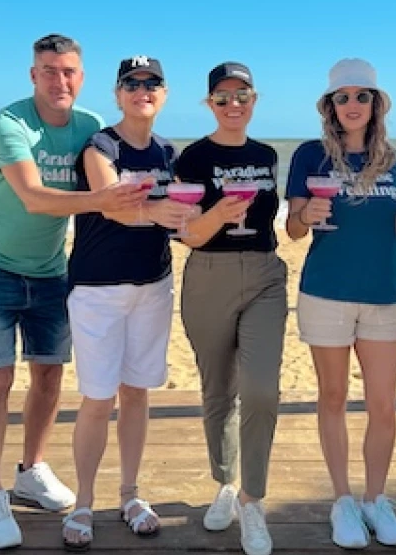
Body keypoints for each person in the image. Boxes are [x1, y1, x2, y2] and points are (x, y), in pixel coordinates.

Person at [0, 34, 148, 550]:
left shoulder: (88, 127)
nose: (58, 80)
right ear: (32, 75)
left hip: (48, 269)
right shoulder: (10, 123)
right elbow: (35, 198)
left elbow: (121, 170)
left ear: (81, 78)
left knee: (48, 375)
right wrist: (104, 199)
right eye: (48, 70)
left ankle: (31, 469)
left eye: (68, 71)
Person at [285, 58, 396, 550]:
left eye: (362, 96)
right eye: (343, 97)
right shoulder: (309, 156)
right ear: (330, 106)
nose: (353, 105)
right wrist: (307, 214)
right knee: (334, 397)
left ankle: (375, 499)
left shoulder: (393, 161)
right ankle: (342, 500)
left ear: (376, 105)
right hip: (326, 292)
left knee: (384, 405)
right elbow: (294, 229)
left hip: (382, 296)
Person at [61, 55, 192, 551]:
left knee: (137, 392)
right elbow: (115, 206)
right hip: (97, 290)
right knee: (97, 398)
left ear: (164, 93)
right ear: (117, 94)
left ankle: (130, 495)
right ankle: (84, 501)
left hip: (153, 286)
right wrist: (167, 213)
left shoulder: (168, 152)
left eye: (152, 82)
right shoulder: (100, 146)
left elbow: (181, 214)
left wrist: (198, 218)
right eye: (132, 83)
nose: (143, 89)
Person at [175, 62, 287, 555]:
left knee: (261, 389)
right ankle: (224, 483)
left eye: (242, 95)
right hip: (208, 274)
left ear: (255, 100)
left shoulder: (266, 154)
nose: (233, 104)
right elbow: (186, 234)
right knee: (217, 388)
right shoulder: (193, 157)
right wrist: (219, 214)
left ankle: (252, 499)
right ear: (209, 104)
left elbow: (273, 220)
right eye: (222, 97)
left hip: (264, 273)